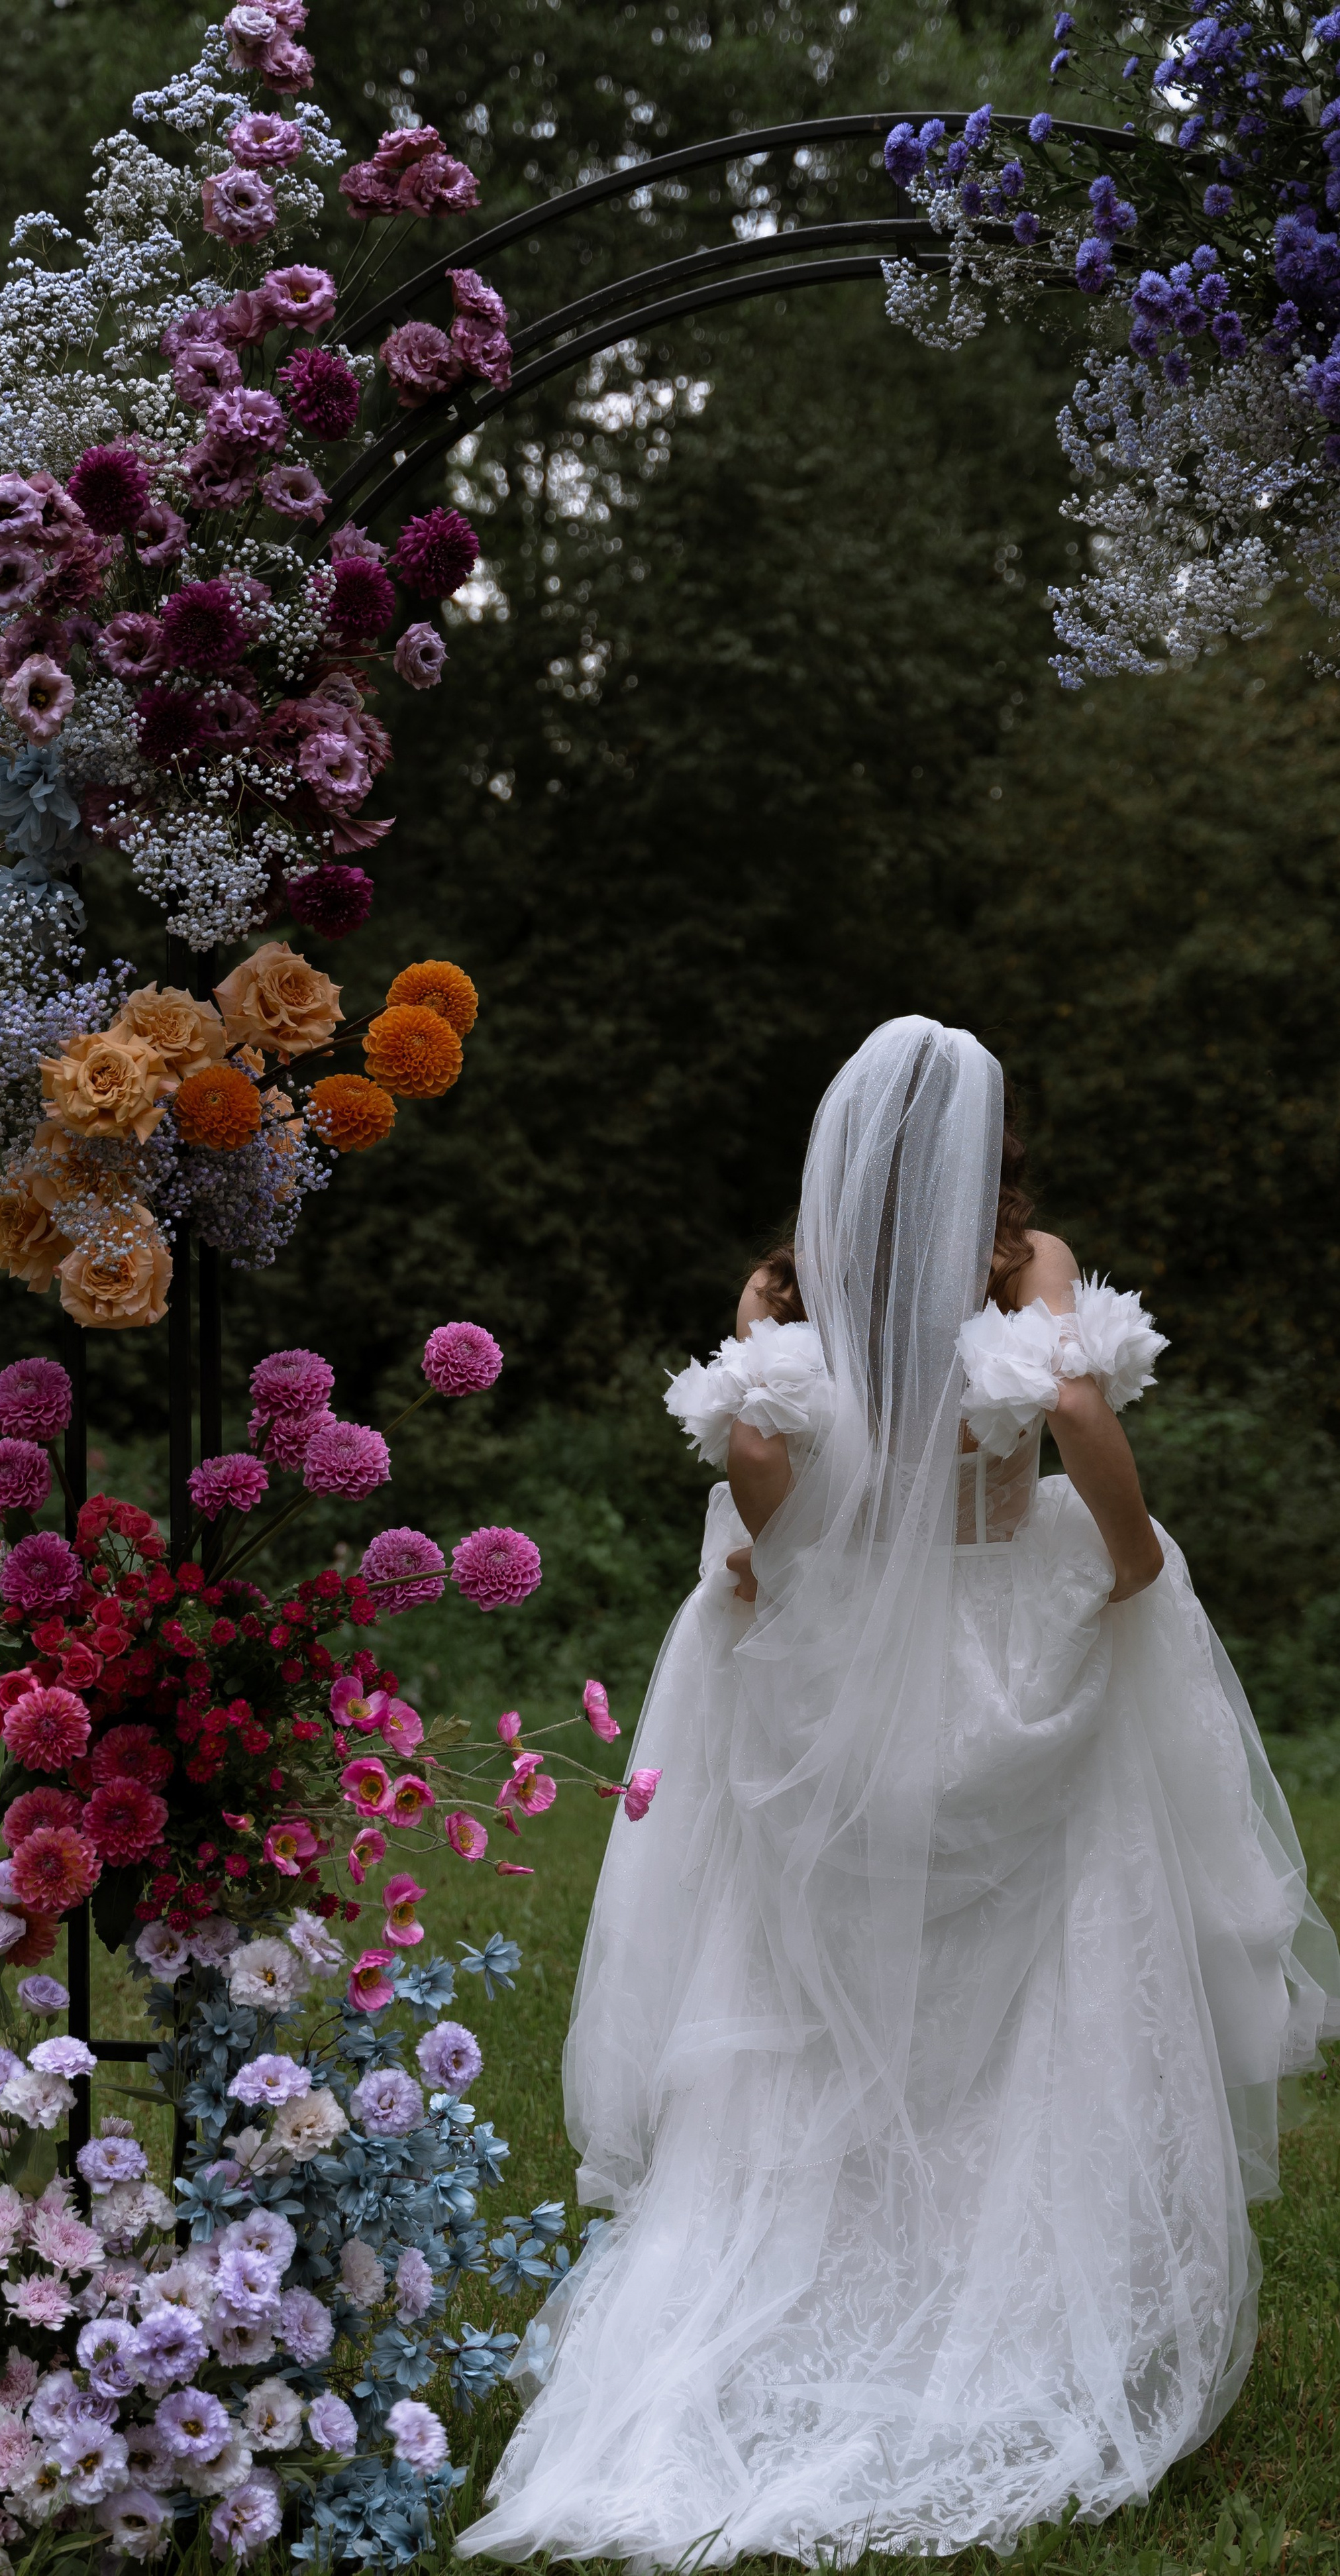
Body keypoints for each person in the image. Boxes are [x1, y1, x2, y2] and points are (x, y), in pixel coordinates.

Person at [456, 1016, 1340, 2569]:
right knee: (1050, 1958)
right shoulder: (1026, 1266)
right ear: (984, 1152)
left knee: (807, 1973)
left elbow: (748, 1453)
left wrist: (805, 1581)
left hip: (840, 1632)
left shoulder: (784, 1288)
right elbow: (1071, 1416)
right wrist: (1129, 1562)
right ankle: (1028, 2287)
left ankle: (787, 2271)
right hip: (1007, 1624)